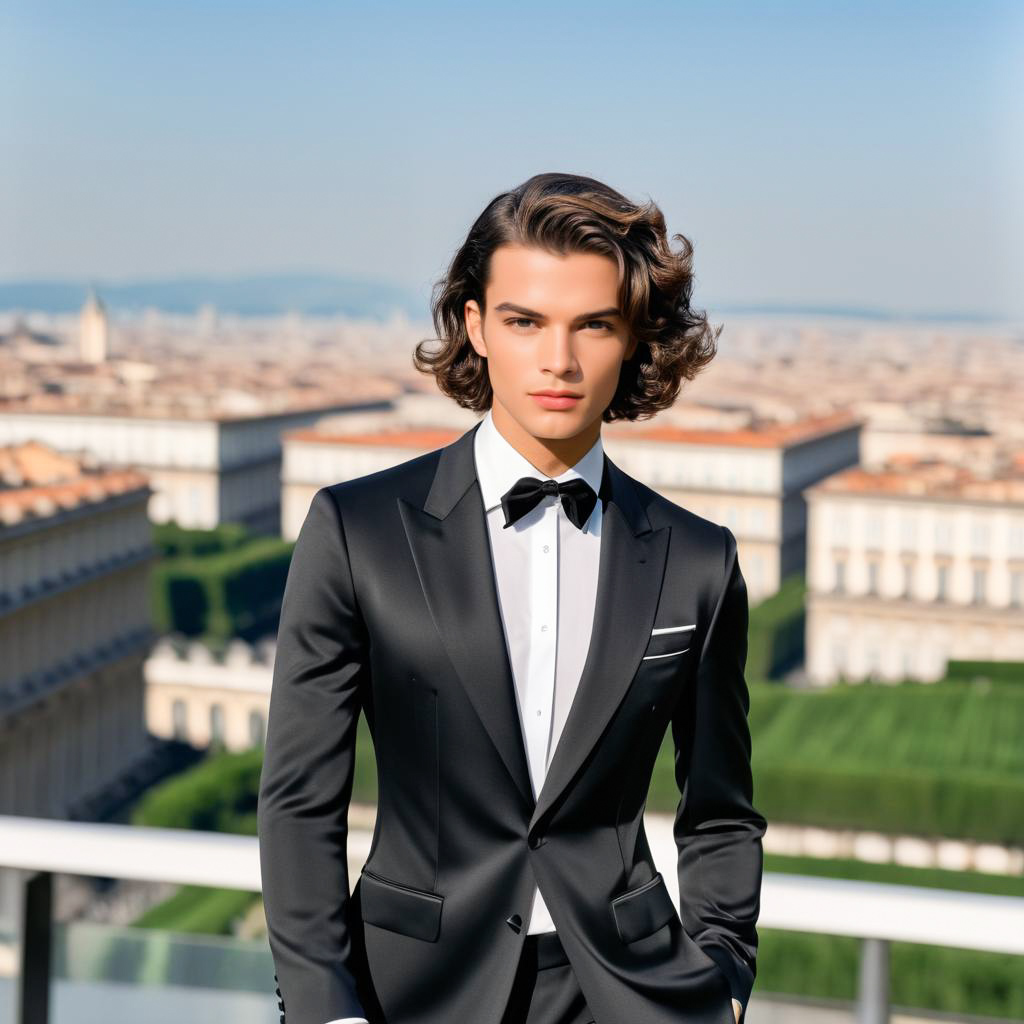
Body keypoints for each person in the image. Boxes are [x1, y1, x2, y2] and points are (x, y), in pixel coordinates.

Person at [257, 172, 766, 1024]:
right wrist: (326, 1011)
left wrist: (725, 982)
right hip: (406, 994)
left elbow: (719, 812)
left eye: (593, 325)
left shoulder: (700, 561)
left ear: (633, 337)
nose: (558, 361)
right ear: (476, 327)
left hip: (632, 996)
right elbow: (300, 801)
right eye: (525, 322)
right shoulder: (356, 530)